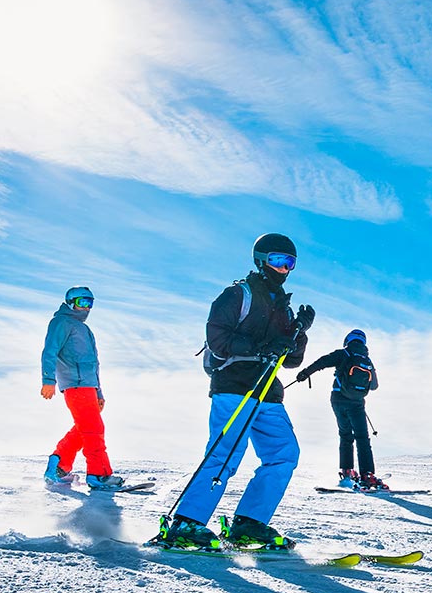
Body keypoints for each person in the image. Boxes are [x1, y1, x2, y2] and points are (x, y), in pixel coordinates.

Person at [159, 234, 314, 551]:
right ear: (260, 260)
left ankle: (249, 523)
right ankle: (187, 523)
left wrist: (299, 332)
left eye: (290, 263)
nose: (283, 269)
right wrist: (262, 346)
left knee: (284, 455)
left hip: (268, 392)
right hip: (235, 386)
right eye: (277, 260)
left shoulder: (283, 308)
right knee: (225, 454)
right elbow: (217, 338)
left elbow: (292, 360)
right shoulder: (237, 295)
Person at [41, 286, 124, 489]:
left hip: (88, 387)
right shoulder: (61, 322)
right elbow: (49, 351)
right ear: (70, 302)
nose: (86, 308)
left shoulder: (84, 329)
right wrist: (48, 380)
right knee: (94, 430)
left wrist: (98, 391)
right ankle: (98, 475)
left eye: (90, 303)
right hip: (75, 385)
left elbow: (93, 364)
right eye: (82, 302)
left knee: (84, 428)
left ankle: (59, 464)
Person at [296, 329, 386, 491]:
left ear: (348, 340)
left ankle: (346, 472)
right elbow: (374, 386)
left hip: (338, 400)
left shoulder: (343, 354)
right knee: (362, 438)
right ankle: (367, 475)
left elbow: (322, 362)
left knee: (345, 435)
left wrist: (304, 374)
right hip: (357, 403)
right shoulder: (367, 360)